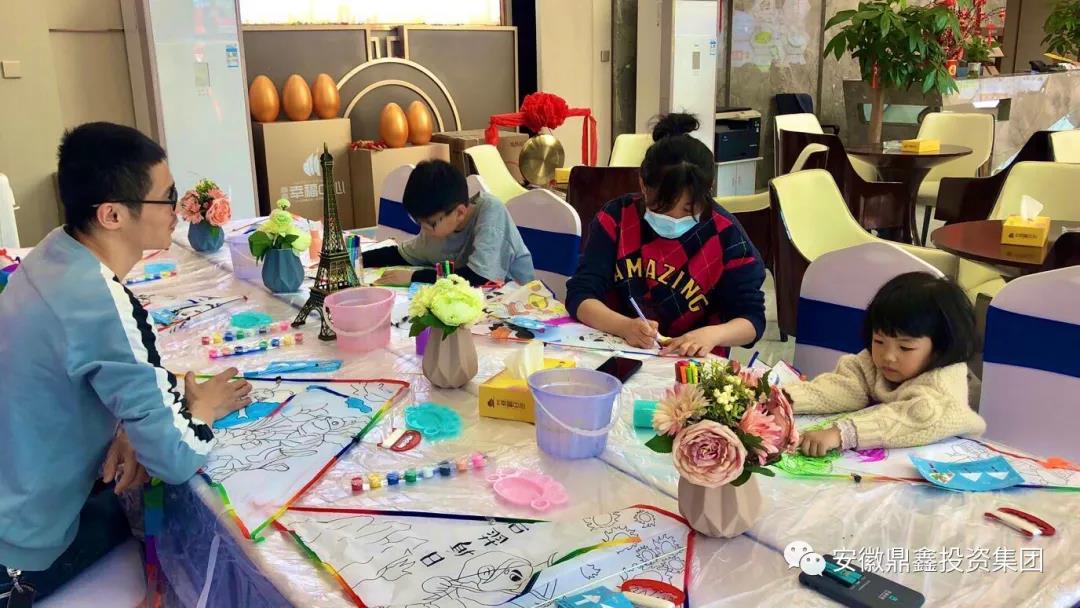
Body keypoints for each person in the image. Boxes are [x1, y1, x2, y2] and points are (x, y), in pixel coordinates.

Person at [0, 122, 252, 599]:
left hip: (14, 494)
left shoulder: (52, 251)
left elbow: (76, 370)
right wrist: (203, 408)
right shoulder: (98, 301)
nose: (177, 210)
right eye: (168, 196)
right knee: (167, 524)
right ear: (113, 214)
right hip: (22, 550)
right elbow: (175, 456)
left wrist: (127, 426)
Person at [565, 133, 766, 357]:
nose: (674, 218)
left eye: (689, 209)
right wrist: (624, 327)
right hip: (619, 351)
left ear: (708, 190)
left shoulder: (727, 236)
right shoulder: (617, 219)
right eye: (662, 207)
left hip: (693, 361)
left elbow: (752, 320)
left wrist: (711, 335)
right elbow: (580, 295)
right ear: (643, 183)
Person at [792, 272, 986, 456]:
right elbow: (845, 386)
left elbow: (917, 417)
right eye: (879, 341)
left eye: (905, 347)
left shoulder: (945, 383)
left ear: (941, 347)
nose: (888, 356)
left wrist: (842, 433)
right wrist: (786, 399)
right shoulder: (875, 363)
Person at [362, 160, 534, 287]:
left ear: (459, 213)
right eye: (419, 222)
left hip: (519, 302)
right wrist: (354, 259)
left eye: (430, 224)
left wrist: (414, 277)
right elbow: (401, 254)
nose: (424, 230)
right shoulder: (437, 226)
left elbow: (480, 278)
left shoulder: (490, 213)